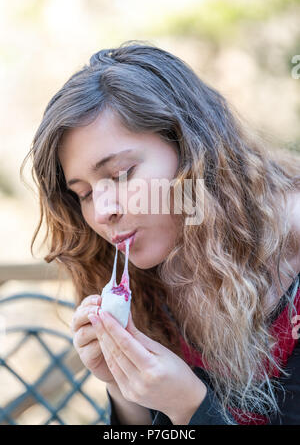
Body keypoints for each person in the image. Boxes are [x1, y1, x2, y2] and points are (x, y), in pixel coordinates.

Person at [21, 41, 300, 425]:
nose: (103, 212)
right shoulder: (146, 279)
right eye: (83, 193)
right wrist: (125, 388)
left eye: (120, 174)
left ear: (191, 149)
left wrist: (190, 407)